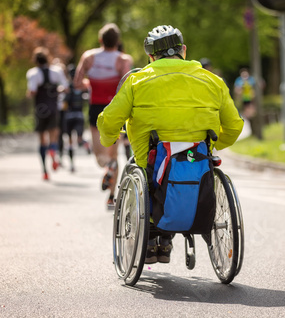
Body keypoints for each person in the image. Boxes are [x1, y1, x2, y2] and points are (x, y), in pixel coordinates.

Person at [97, 25, 244, 264]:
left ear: (151, 57)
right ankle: (167, 240)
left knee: (146, 173)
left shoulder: (137, 81)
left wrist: (108, 138)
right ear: (183, 50)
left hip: (152, 165)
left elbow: (109, 120)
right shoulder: (213, 81)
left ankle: (154, 239)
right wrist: (212, 147)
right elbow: (235, 125)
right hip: (197, 162)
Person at [74, 23, 133, 206]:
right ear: (118, 41)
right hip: (115, 109)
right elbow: (125, 86)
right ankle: (111, 196)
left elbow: (77, 82)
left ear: (100, 40)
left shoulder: (89, 57)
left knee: (101, 156)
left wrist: (90, 84)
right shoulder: (124, 60)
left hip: (95, 107)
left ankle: (107, 166)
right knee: (113, 153)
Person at [26, 47, 69, 180]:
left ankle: (45, 171)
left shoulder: (33, 73)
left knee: (42, 139)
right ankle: (53, 151)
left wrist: (30, 94)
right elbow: (66, 88)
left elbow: (32, 91)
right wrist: (57, 90)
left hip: (40, 110)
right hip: (53, 108)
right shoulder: (56, 72)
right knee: (54, 135)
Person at [62, 64, 91, 172]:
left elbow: (64, 103)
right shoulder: (82, 86)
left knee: (69, 142)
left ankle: (72, 165)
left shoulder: (68, 87)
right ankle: (85, 143)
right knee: (79, 138)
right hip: (79, 115)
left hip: (69, 116)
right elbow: (87, 98)